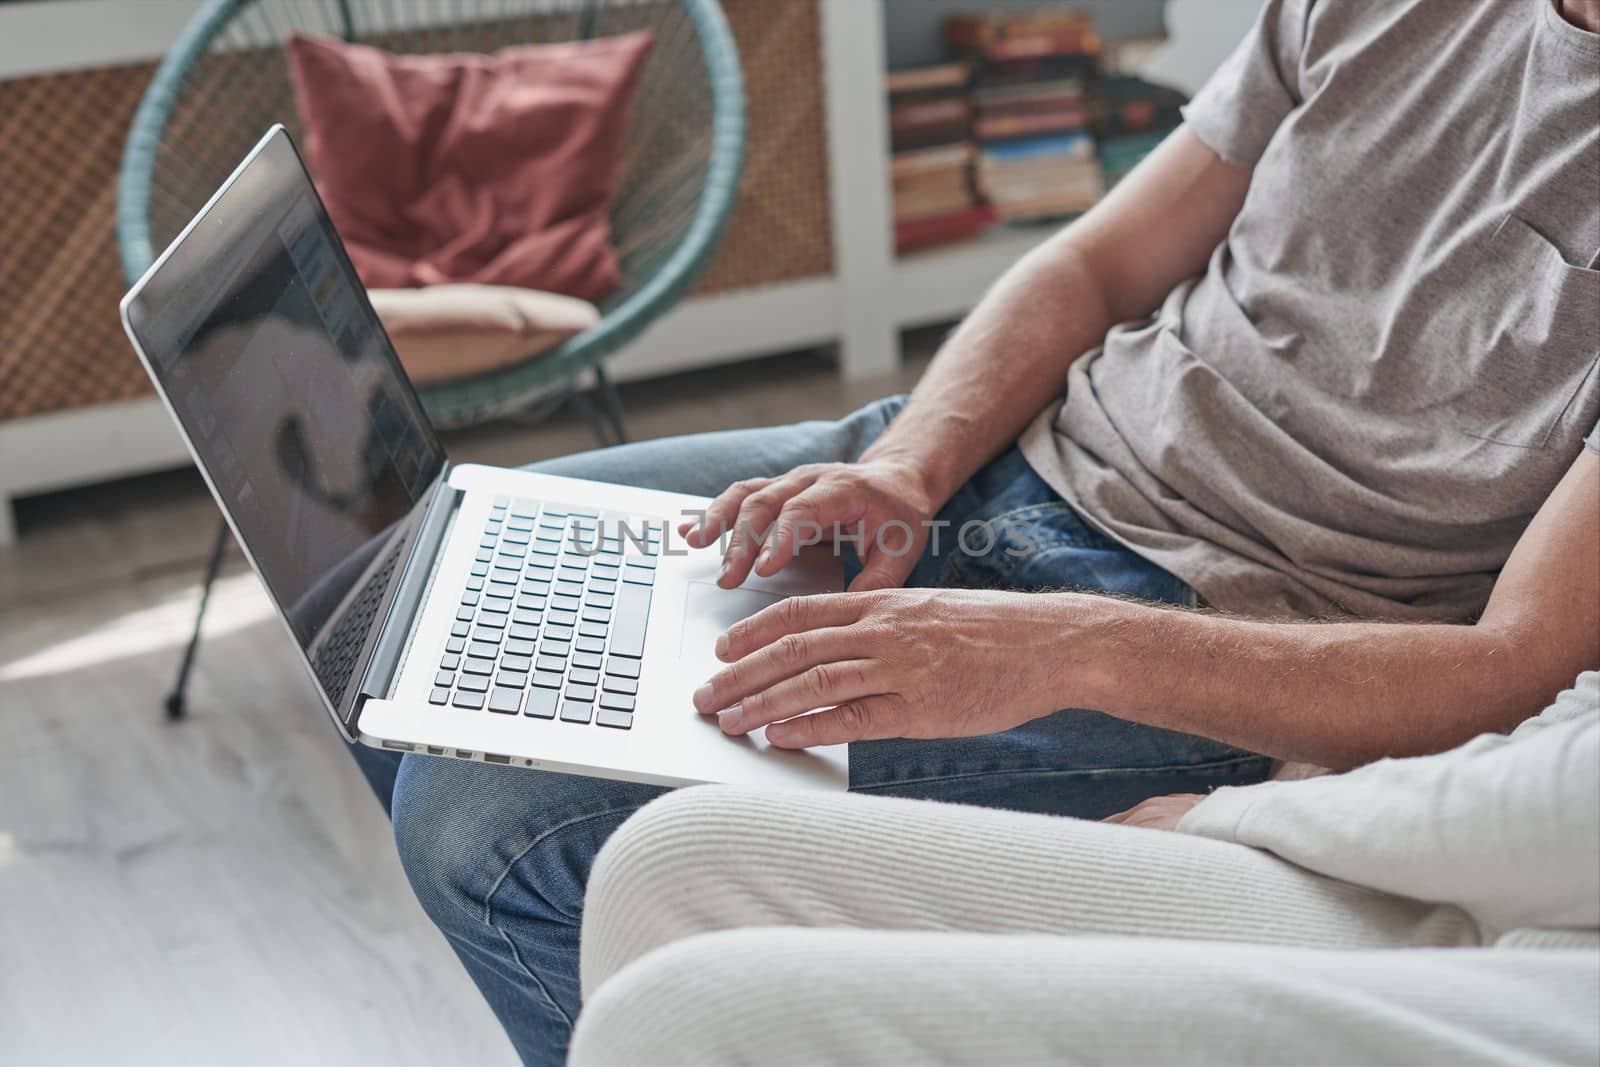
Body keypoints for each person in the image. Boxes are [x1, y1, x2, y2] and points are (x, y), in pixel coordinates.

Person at [350, 1, 1600, 1061]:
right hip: (999, 455)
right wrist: (906, 466)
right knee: (404, 595)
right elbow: (1101, 262)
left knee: (495, 834)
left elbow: (1514, 666)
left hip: (1218, 640)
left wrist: (1053, 648)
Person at [568, 673, 1600, 1065]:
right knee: (677, 860)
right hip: (1516, 876)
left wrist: (1239, 808)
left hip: (1556, 969)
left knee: (689, 1020)